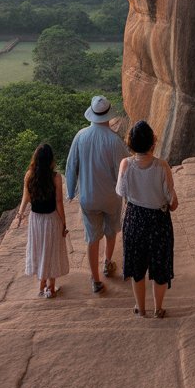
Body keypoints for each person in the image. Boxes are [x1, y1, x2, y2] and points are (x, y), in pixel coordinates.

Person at [66, 95, 128, 293]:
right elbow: (124, 171)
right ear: (109, 116)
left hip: (88, 196)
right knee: (111, 231)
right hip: (110, 196)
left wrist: (70, 191)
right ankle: (107, 263)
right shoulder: (114, 141)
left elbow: (71, 166)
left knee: (92, 238)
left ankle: (95, 279)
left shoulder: (81, 136)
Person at [116, 120, 178, 318]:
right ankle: (158, 308)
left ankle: (140, 309)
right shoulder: (162, 166)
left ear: (131, 143)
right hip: (158, 221)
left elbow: (121, 191)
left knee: (137, 266)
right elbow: (173, 202)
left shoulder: (125, 164)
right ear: (153, 142)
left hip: (134, 218)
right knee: (160, 265)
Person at [15, 143, 69, 298]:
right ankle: (51, 288)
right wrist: (63, 223)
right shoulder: (56, 177)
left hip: (35, 220)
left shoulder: (29, 175)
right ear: (51, 160)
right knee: (51, 251)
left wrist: (20, 214)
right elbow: (59, 202)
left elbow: (26, 197)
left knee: (39, 250)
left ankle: (41, 285)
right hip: (51, 219)